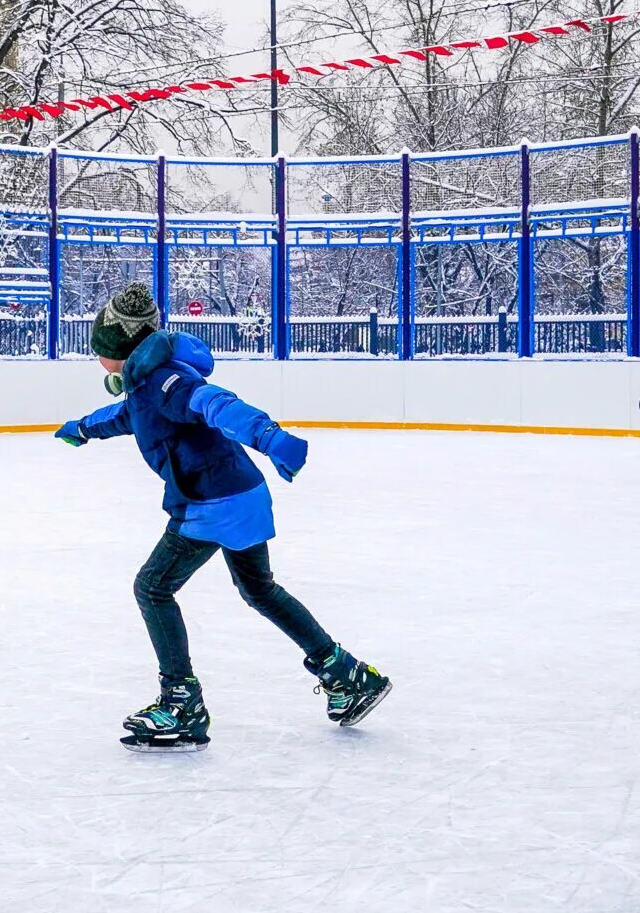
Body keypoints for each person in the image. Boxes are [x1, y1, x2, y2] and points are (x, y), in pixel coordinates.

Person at [55, 282, 390, 750]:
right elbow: (127, 415)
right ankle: (347, 674)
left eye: (99, 350)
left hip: (212, 503)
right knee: (259, 588)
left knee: (152, 588)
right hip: (243, 494)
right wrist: (83, 429)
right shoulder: (147, 384)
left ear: (117, 350)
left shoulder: (167, 381)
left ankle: (181, 704)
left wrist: (270, 437)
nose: (97, 360)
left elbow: (217, 404)